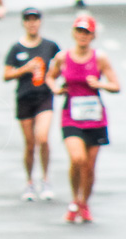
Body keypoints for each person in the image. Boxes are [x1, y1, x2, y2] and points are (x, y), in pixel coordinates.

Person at [45, 14, 120, 223]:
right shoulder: (63, 57)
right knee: (77, 159)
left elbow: (116, 86)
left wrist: (99, 84)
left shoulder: (100, 58)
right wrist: (56, 89)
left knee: (89, 166)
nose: (82, 36)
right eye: (79, 31)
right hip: (71, 115)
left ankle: (83, 203)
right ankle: (74, 199)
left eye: (87, 32)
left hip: (96, 118)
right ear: (73, 33)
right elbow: (50, 77)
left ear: (93, 35)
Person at [3, 9, 60, 201]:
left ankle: (45, 178)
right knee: (30, 144)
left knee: (42, 138)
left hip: (44, 96)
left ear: (40, 22)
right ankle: (29, 181)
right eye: (28, 20)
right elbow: (6, 74)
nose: (32, 24)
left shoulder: (50, 46)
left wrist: (54, 80)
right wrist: (24, 69)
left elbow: (61, 66)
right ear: (23, 23)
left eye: (35, 20)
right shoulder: (16, 49)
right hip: (24, 97)